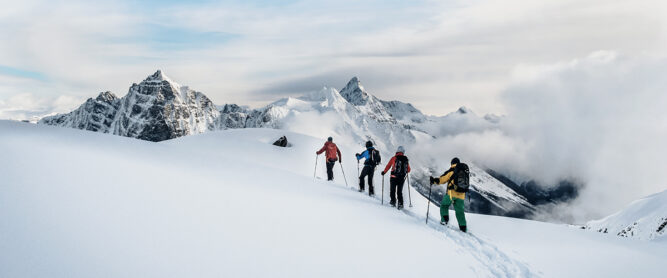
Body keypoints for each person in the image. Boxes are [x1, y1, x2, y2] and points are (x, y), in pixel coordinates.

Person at [430, 157, 468, 233]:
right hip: (461, 195)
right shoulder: (464, 171)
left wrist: (433, 180)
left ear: (452, 163)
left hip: (451, 194)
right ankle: (463, 228)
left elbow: (442, 180)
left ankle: (444, 221)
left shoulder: (451, 171)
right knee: (460, 212)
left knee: (444, 206)